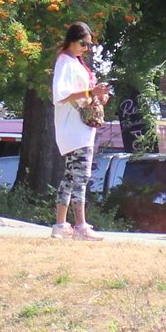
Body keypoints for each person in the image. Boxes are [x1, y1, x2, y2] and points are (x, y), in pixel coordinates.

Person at [51, 21, 109, 240]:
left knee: (69, 176)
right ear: (72, 41)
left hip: (79, 127)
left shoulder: (75, 62)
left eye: (89, 45)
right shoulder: (65, 62)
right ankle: (81, 226)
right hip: (73, 127)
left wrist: (98, 95)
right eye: (83, 43)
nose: (86, 48)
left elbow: (83, 93)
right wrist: (89, 91)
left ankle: (60, 225)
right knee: (81, 175)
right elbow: (61, 95)